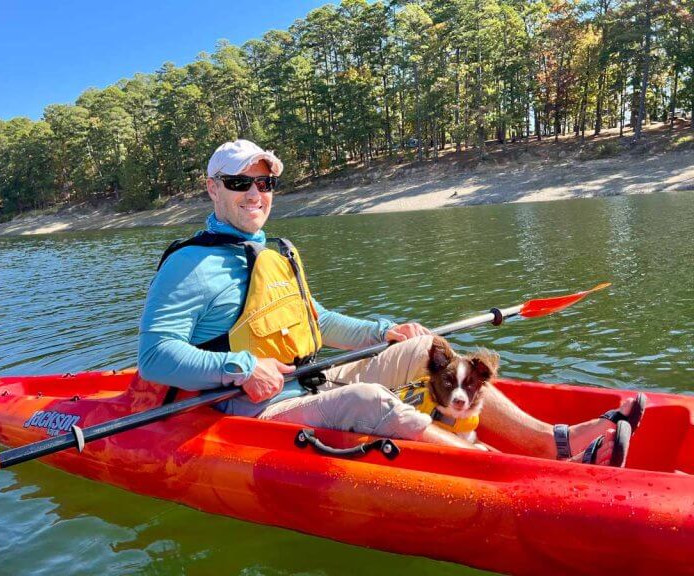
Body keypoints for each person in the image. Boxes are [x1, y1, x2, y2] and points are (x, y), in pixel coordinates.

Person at [138, 139, 643, 466]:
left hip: (312, 377)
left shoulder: (278, 252)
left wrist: (384, 331)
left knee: (431, 351)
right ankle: (503, 470)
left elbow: (317, 322)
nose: (255, 193)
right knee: (367, 400)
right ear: (213, 188)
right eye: (239, 182)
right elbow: (155, 357)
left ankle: (550, 442)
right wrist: (243, 367)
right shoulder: (190, 264)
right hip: (254, 407)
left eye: (265, 182)